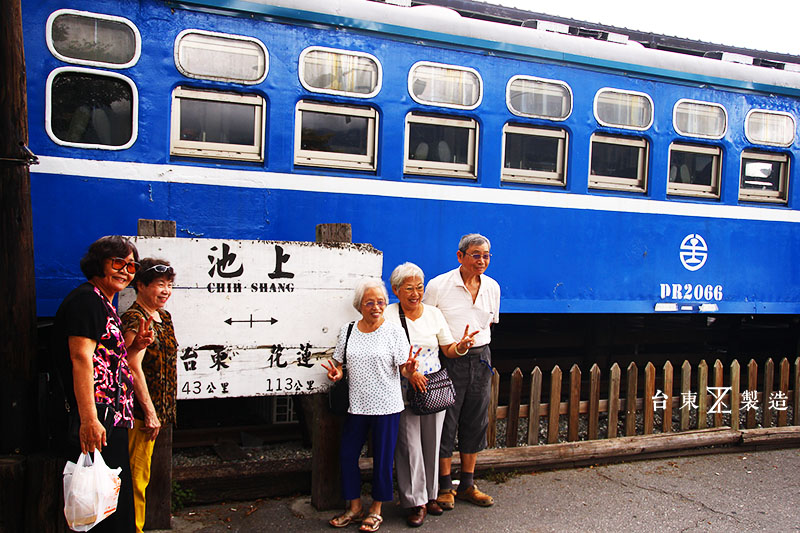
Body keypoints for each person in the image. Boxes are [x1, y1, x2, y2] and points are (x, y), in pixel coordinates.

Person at [53, 235, 154, 533]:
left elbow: (109, 361)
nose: (125, 270)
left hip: (109, 418)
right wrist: (89, 419)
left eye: (131, 266)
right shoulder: (87, 300)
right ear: (99, 264)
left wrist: (135, 348)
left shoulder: (103, 302)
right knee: (100, 509)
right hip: (97, 418)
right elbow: (81, 359)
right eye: (118, 263)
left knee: (110, 502)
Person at [384, 263, 478, 527]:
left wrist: (460, 347)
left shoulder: (434, 314)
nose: (415, 293)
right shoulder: (389, 316)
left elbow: (446, 348)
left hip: (433, 388)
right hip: (403, 388)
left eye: (419, 287)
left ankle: (432, 494)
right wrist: (408, 372)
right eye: (409, 288)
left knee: (432, 443)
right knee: (408, 446)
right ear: (396, 290)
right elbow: (384, 353)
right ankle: (415, 502)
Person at [322, 279, 419, 532]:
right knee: (347, 455)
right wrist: (337, 375)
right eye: (370, 302)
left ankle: (376, 510)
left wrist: (409, 370)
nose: (376, 307)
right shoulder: (349, 330)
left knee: (383, 460)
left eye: (381, 302)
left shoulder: (395, 331)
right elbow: (340, 365)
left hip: (387, 406)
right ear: (359, 306)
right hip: (357, 405)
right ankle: (354, 507)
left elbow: (404, 369)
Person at [423, 233, 500, 510]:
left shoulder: (493, 287)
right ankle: (444, 486)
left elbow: (489, 324)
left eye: (486, 256)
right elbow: (426, 324)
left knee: (476, 421)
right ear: (460, 256)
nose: (482, 260)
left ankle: (467, 484)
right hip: (449, 360)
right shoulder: (438, 285)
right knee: (446, 422)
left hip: (481, 359)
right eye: (476, 255)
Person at [121, 258, 178, 533]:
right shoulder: (135, 319)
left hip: (156, 411)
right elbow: (132, 366)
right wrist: (150, 412)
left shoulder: (163, 317)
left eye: (169, 284)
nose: (166, 290)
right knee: (136, 477)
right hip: (139, 414)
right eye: (159, 284)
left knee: (142, 476)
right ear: (140, 286)